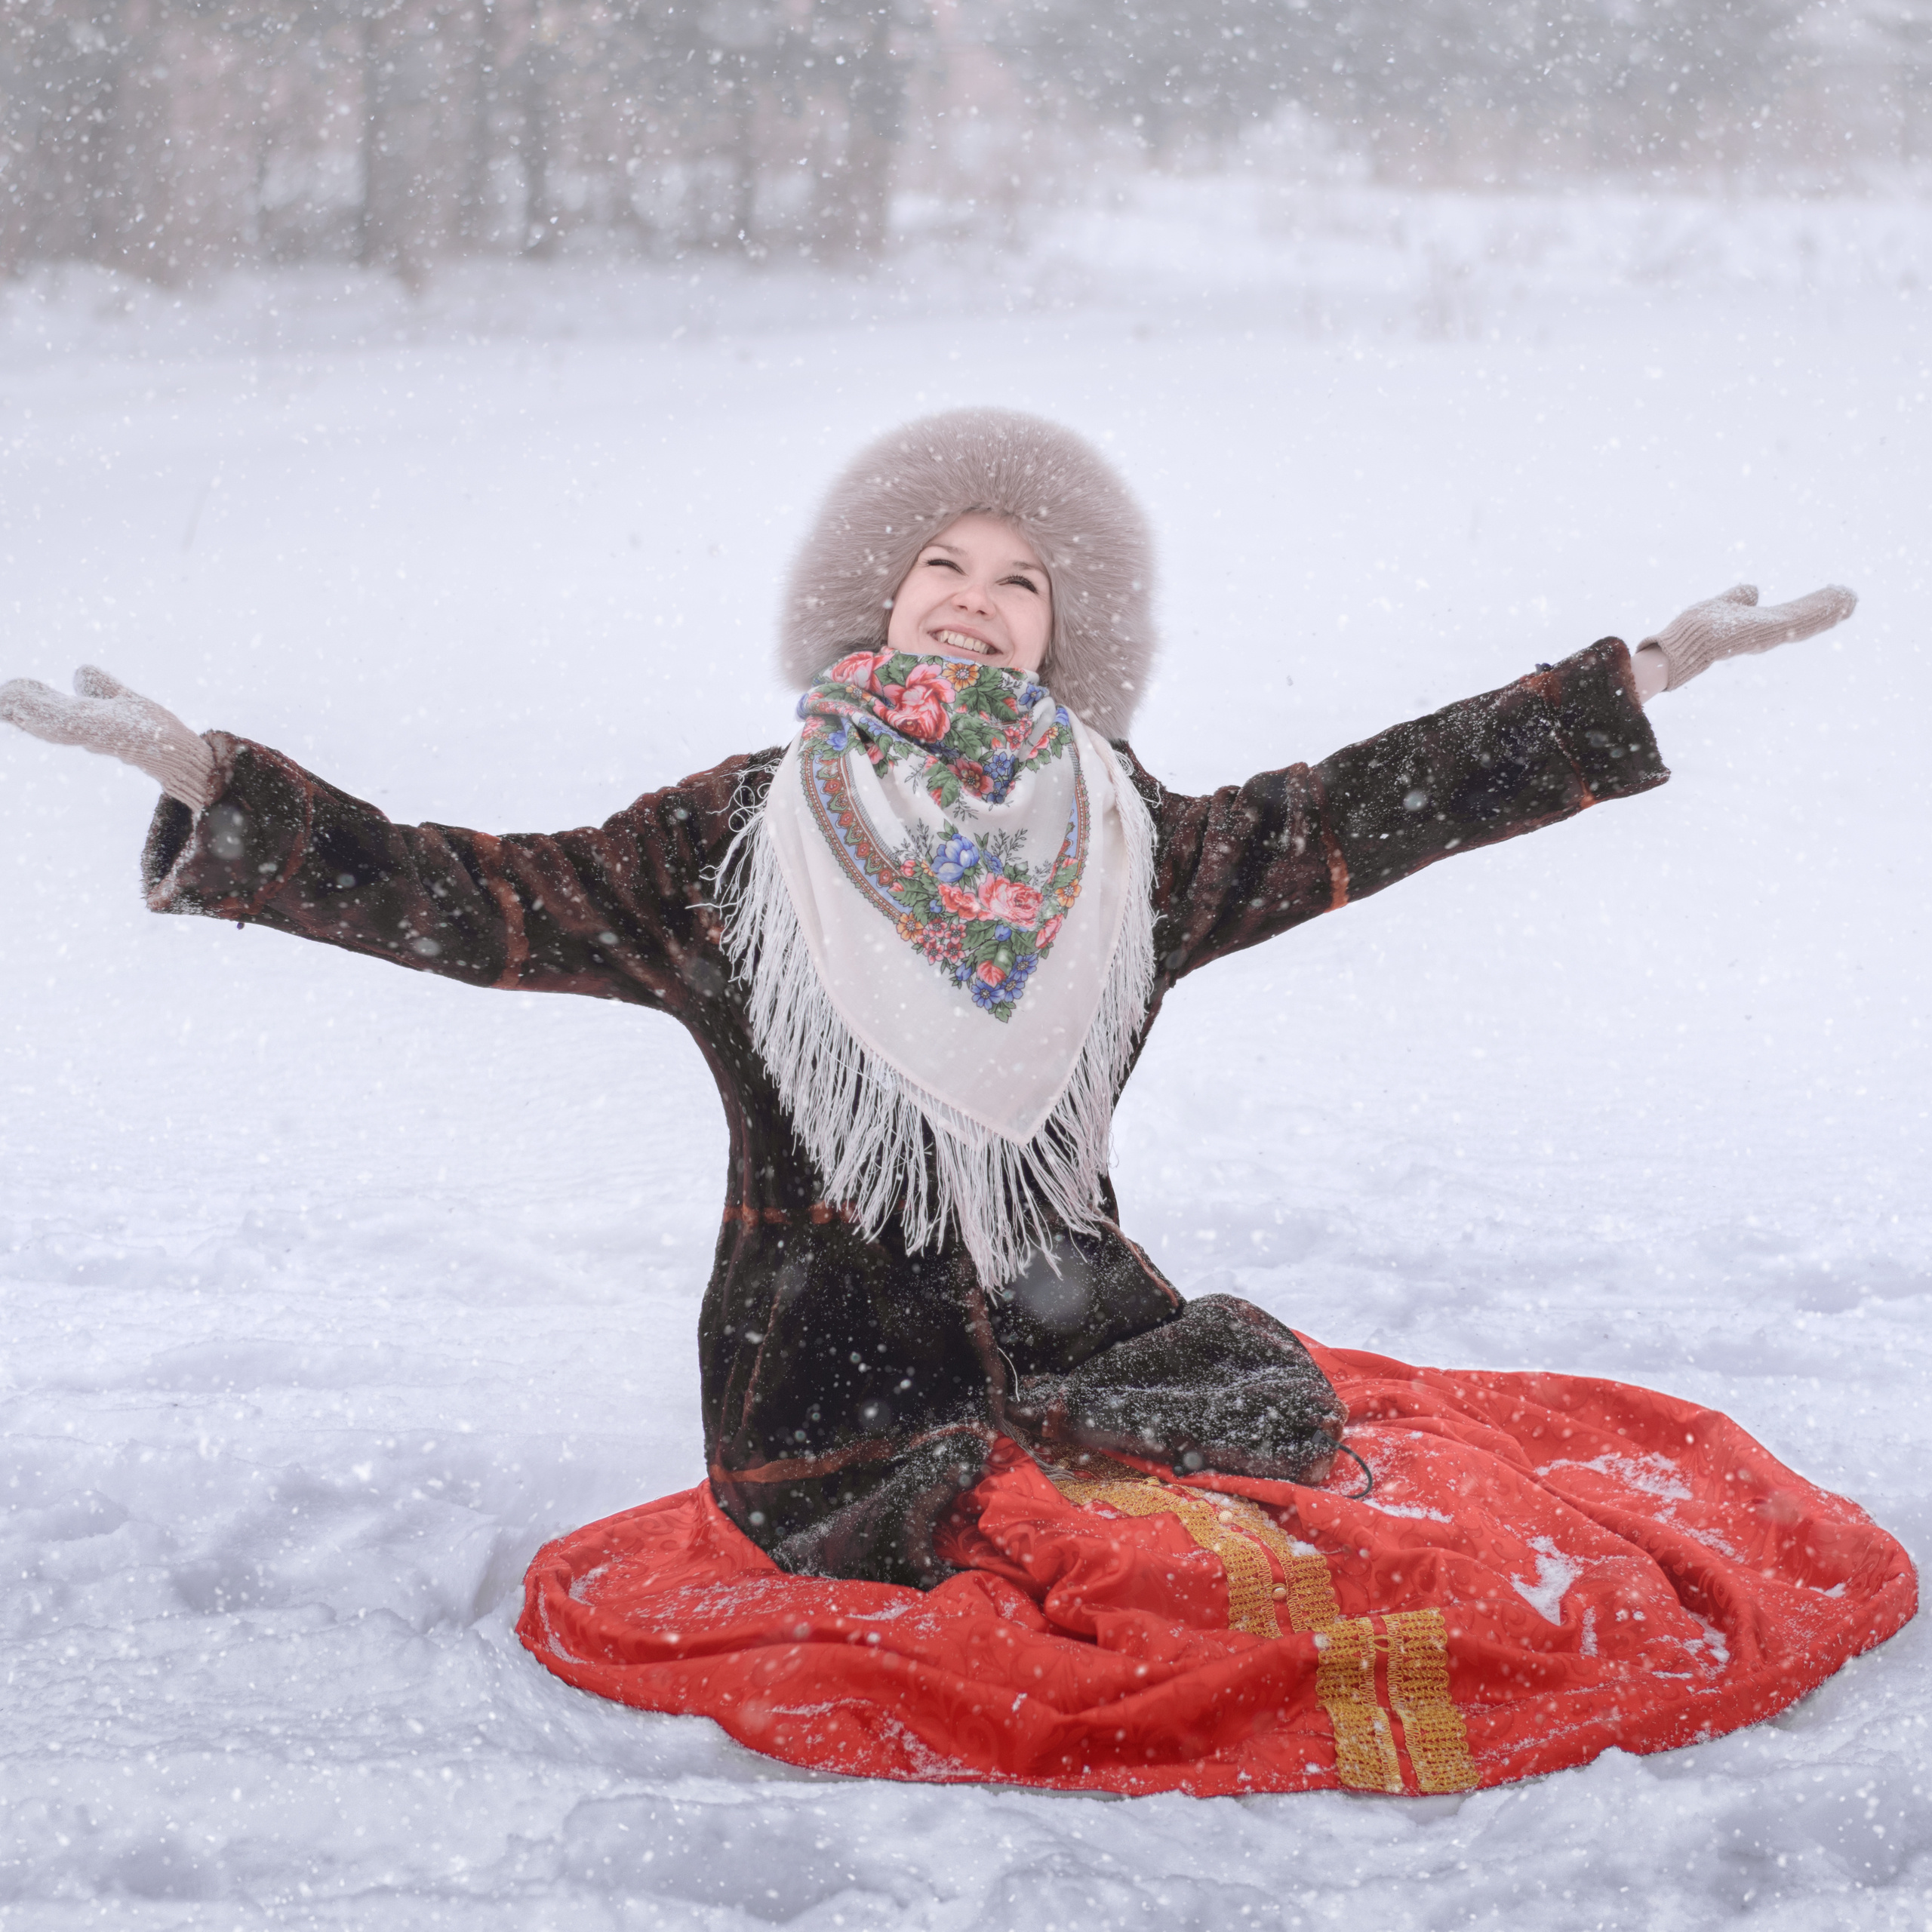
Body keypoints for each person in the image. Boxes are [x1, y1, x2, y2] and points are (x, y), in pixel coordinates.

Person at [2, 408, 1912, 1798]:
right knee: (1107, 1617)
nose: (976, 602)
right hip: (834, 1397)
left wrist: (1637, 676)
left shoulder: (1127, 839)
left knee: (1363, 1566)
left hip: (1102, 1345)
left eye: (1020, 584)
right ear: (877, 595)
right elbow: (469, 898)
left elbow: (1366, 803)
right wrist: (216, 788)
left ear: (1059, 639)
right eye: (942, 565)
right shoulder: (730, 846)